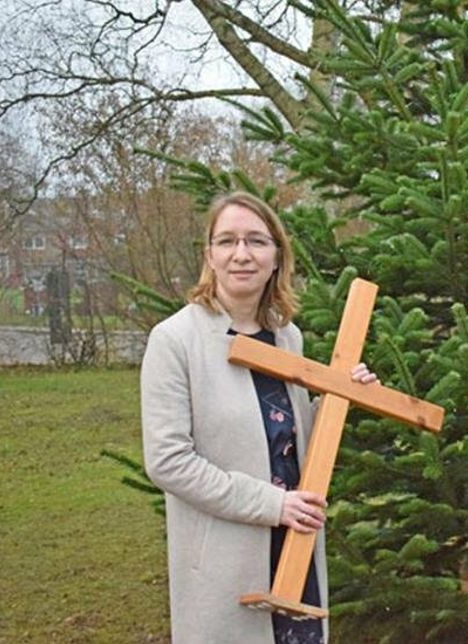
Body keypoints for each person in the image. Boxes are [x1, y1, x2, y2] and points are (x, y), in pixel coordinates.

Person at [141, 192, 378, 644]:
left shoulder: (287, 337)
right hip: (226, 558)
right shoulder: (175, 340)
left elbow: (289, 438)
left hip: (295, 547)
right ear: (209, 255)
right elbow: (168, 460)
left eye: (256, 241)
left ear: (277, 257)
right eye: (227, 241)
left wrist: (338, 396)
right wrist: (273, 505)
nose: (242, 254)